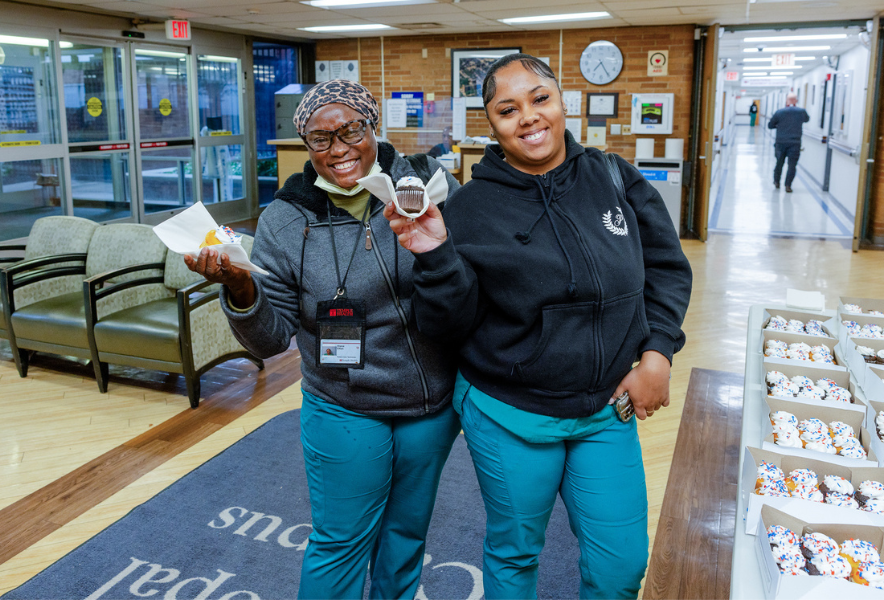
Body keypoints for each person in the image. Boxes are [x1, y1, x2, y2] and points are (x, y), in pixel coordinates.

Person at [386, 54, 692, 599]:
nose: (528, 116)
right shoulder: (469, 208)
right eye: (508, 110)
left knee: (621, 565)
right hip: (510, 411)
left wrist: (658, 354)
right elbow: (446, 323)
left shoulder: (614, 177)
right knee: (515, 552)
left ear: (561, 101)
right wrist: (434, 256)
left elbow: (667, 269)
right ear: (492, 124)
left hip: (606, 410)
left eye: (540, 99)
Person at [185, 80, 462, 600]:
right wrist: (242, 288)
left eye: (351, 131)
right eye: (320, 139)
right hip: (343, 403)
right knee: (340, 542)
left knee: (405, 538)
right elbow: (271, 339)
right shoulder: (285, 219)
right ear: (306, 145)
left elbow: (469, 282)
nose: (338, 149)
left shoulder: (428, 184)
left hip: (429, 403)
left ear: (373, 127)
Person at [768, 93, 809, 193]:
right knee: (792, 165)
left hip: (781, 142)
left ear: (786, 101)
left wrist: (780, 126)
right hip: (795, 143)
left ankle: (777, 182)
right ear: (796, 101)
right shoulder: (801, 112)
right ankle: (788, 186)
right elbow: (807, 119)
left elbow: (770, 125)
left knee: (779, 163)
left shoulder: (779, 112)